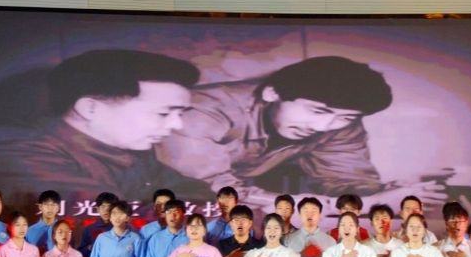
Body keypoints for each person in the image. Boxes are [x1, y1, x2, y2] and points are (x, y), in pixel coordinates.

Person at [158, 56, 446, 210]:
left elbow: (346, 182)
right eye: (317, 111)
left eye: (346, 117)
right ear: (273, 93)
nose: (323, 127)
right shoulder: (201, 111)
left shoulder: (340, 123)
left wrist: (393, 191)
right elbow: (220, 194)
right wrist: (369, 204)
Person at [0, 49, 204, 204]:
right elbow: (103, 221)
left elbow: (194, 193)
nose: (177, 124)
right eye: (163, 113)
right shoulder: (16, 156)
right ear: (90, 108)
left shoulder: (129, 149)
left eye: (180, 113)